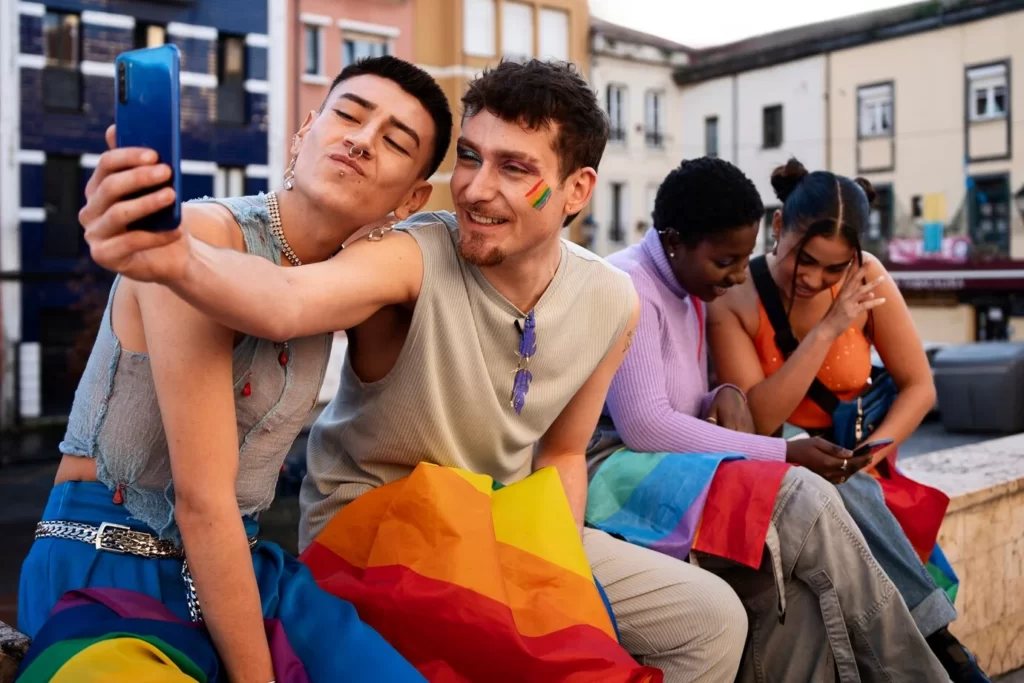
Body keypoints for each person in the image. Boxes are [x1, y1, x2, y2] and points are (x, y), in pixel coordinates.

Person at [82, 58, 763, 683]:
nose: (475, 188)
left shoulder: (613, 298)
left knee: (713, 618)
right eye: (469, 157)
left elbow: (562, 454)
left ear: (576, 189)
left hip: (500, 526)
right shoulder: (412, 253)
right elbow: (285, 300)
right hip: (377, 531)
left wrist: (550, 577)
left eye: (515, 169)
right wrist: (173, 254)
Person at [19, 56, 454, 682]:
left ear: (412, 198)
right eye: (350, 116)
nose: (362, 140)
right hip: (106, 563)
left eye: (393, 141)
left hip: (247, 572)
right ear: (306, 132)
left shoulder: (346, 286)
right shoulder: (196, 237)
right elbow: (201, 501)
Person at [706, 158, 987, 682]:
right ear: (779, 228)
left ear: (855, 259)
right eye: (803, 260)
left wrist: (868, 455)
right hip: (777, 460)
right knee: (827, 491)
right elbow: (758, 418)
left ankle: (934, 643)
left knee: (849, 490)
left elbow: (919, 386)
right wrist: (829, 327)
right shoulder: (737, 297)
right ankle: (940, 641)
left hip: (858, 461)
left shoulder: (870, 277)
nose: (814, 279)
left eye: (834, 269)